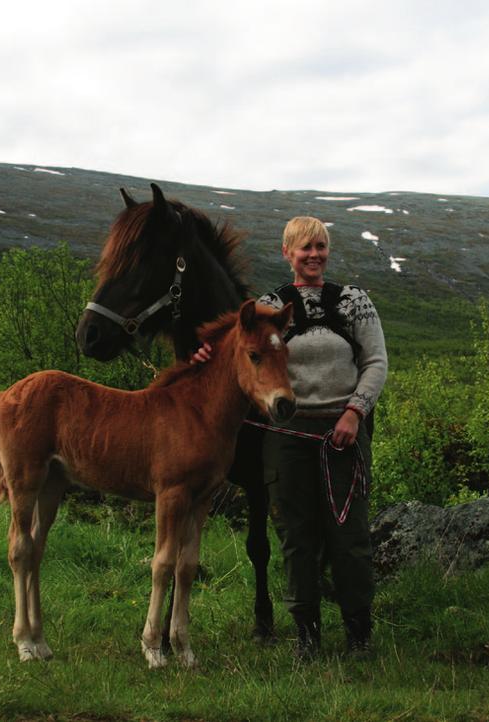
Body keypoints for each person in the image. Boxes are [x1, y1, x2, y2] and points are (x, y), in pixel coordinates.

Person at [194, 216, 388, 658]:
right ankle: (307, 635)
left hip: (344, 430)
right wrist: (204, 352)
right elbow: (239, 351)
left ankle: (359, 634)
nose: (314, 255)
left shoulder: (353, 301)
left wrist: (355, 412)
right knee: (296, 535)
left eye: (320, 246)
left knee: (349, 534)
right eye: (305, 248)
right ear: (288, 253)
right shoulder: (270, 305)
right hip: (286, 434)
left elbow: (376, 362)